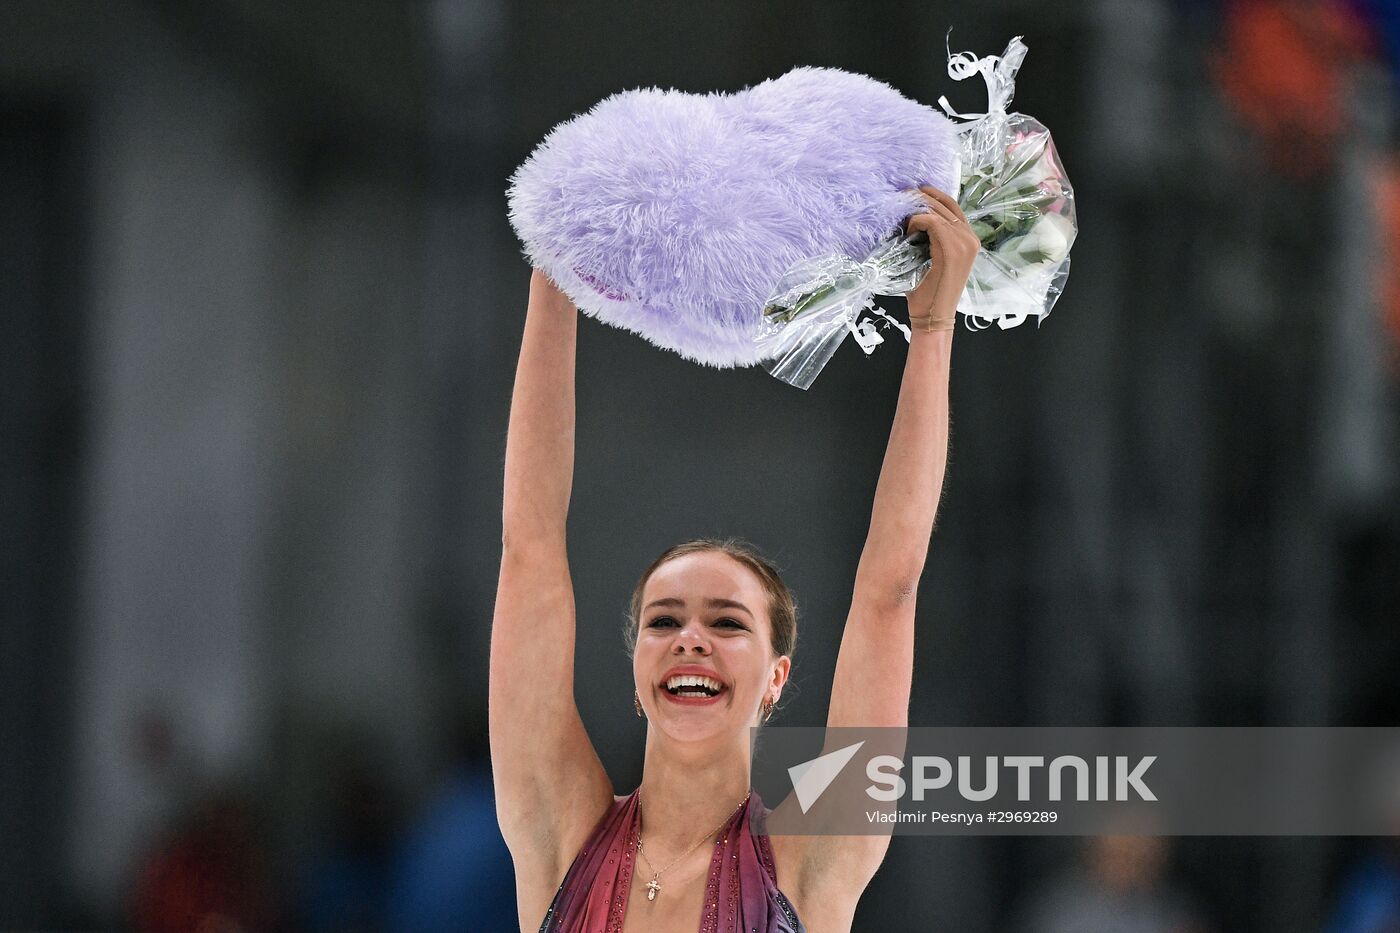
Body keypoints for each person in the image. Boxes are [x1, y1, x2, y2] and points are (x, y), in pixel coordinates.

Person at [490, 185, 978, 932]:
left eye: (726, 621)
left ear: (775, 678)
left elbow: (889, 591)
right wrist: (551, 276)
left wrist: (935, 327)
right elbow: (530, 550)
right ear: (636, 667)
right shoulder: (560, 833)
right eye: (664, 620)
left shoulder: (812, 857)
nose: (691, 637)